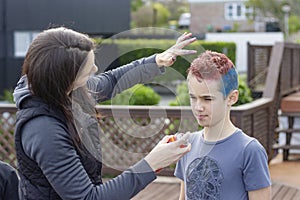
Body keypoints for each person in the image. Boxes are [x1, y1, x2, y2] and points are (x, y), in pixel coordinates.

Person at [13, 27, 196, 200]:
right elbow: (89, 197)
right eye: (87, 71)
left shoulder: (65, 90)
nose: (94, 71)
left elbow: (112, 80)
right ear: (66, 78)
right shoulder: (44, 131)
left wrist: (156, 61)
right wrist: (151, 164)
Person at [174, 50, 271, 200]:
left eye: (207, 99)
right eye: (193, 98)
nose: (198, 107)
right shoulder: (187, 144)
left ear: (232, 98)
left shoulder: (250, 150)